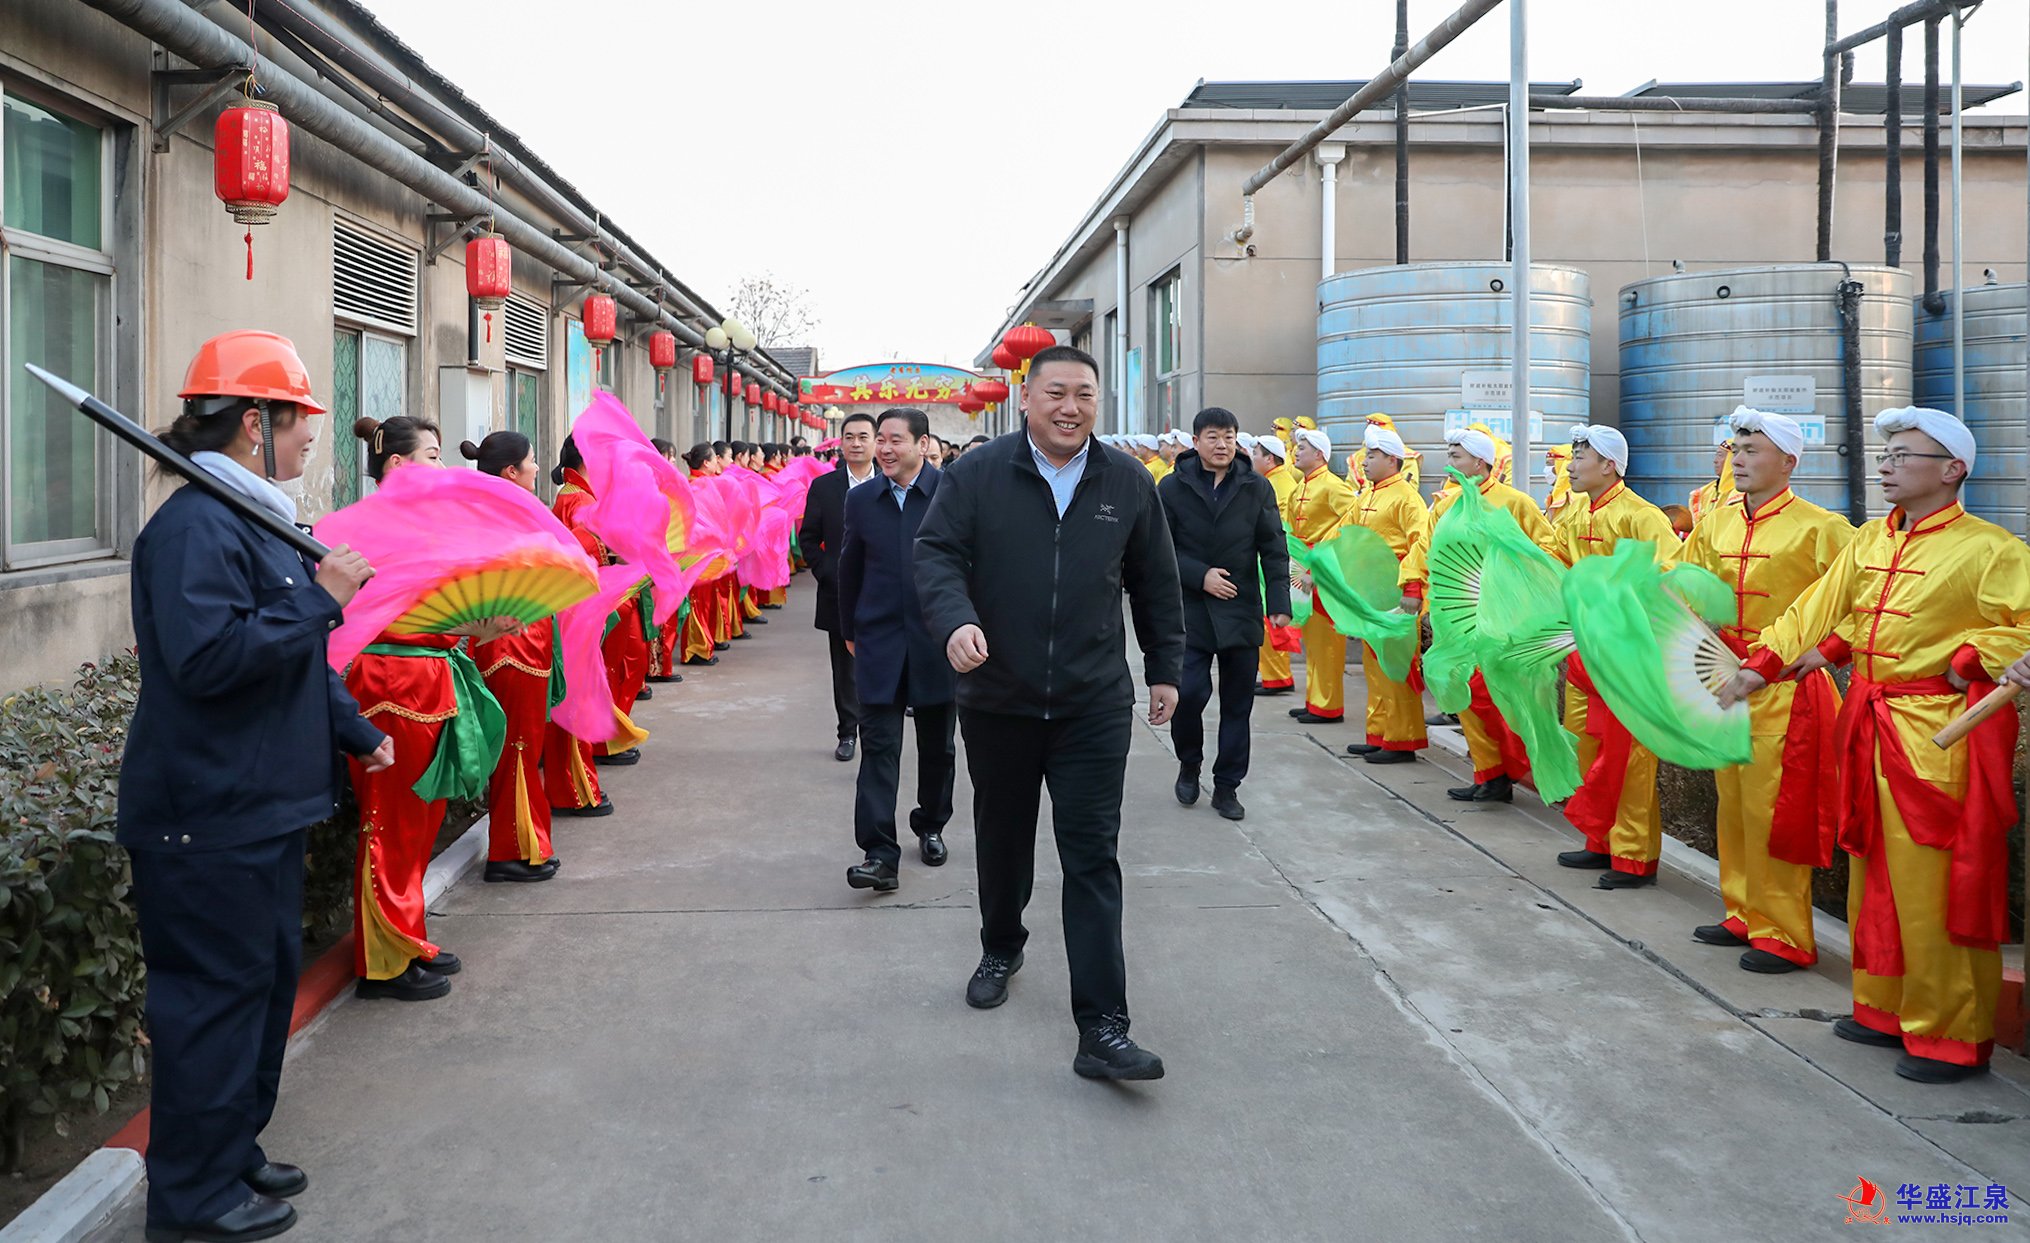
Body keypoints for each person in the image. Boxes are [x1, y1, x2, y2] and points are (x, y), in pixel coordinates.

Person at [121, 330, 386, 1243]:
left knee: (260, 992)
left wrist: (356, 731)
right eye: (300, 420)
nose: (312, 436)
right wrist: (322, 598)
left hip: (260, 809)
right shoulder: (195, 527)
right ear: (251, 423)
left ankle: (230, 1148)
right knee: (212, 1004)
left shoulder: (252, 518)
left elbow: (293, 659)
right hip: (206, 817)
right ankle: (190, 1197)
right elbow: (206, 660)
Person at [1723, 407, 2029, 1083]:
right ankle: (1883, 1006)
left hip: (1934, 736)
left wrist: (1980, 654)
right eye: (1885, 455)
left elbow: (2023, 624)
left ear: (1952, 470)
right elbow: (1817, 611)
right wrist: (1763, 665)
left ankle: (1948, 1032)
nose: (1886, 466)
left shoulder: (1992, 549)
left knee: (1931, 884)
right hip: (1868, 724)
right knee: (1874, 875)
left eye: (1902, 455)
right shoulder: (1869, 539)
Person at [916, 343, 1184, 1081]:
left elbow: (1155, 582)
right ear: (1027, 399)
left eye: (1084, 395)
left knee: (1092, 855)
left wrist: (1165, 667)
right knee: (1003, 837)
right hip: (997, 697)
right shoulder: (977, 474)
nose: (1071, 407)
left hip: (1092, 703)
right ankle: (1000, 945)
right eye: (1056, 393)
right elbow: (936, 555)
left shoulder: (1127, 481)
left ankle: (1103, 1025)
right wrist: (955, 621)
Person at [344, 415, 513, 1003]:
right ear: (397, 464)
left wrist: (476, 627)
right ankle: (383, 960)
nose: (443, 466)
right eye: (433, 454)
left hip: (427, 678)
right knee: (391, 821)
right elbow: (382, 617)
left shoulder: (419, 526)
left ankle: (407, 935)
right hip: (391, 682)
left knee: (418, 822)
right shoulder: (372, 529)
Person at [1677, 409, 1852, 973]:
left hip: (1785, 690)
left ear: (1788, 462)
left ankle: (1784, 933)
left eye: (1752, 450)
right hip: (1726, 679)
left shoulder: (1821, 527)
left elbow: (1867, 597)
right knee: (1733, 806)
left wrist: (1828, 649)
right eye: (1736, 449)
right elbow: (1686, 585)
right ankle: (1743, 912)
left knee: (1774, 813)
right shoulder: (1716, 523)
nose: (1739, 459)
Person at [1402, 427, 1559, 802]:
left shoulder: (1514, 502)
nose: (1449, 462)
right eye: (1449, 455)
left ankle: (1515, 768)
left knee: (1494, 695)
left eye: (1456, 456)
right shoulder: (1447, 505)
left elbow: (1546, 548)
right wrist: (1413, 585)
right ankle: (1489, 773)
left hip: (1499, 619)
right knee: (1464, 694)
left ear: (1480, 462)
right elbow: (1424, 547)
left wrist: (1514, 588)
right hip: (1454, 618)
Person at [838, 408, 958, 891]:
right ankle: (879, 853)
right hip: (879, 639)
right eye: (880, 440)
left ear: (923, 444)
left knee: (938, 746)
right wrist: (850, 629)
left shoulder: (951, 493)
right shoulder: (862, 499)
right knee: (879, 747)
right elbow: (850, 567)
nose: (884, 449)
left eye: (895, 440)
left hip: (938, 641)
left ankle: (931, 824)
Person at [1556, 424, 1679, 888]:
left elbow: (1668, 573)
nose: (1570, 466)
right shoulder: (1576, 513)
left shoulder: (1641, 516)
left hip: (1628, 653)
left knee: (1630, 756)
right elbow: (1554, 558)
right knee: (1586, 745)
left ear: (1609, 465)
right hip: (1586, 649)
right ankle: (1600, 840)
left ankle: (1634, 856)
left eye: (1579, 457)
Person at [1157, 407, 1290, 820]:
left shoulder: (1256, 487)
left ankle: (1228, 786)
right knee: (1189, 694)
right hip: (1190, 610)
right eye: (1213, 437)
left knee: (1237, 705)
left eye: (1229, 437)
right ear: (1196, 442)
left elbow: (1273, 546)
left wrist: (1279, 603)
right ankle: (1189, 763)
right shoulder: (1172, 487)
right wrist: (1200, 576)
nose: (1222, 445)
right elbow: (1157, 548)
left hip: (1240, 605)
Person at [463, 432, 564, 884]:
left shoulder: (505, 512)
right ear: (511, 471)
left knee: (524, 748)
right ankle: (510, 849)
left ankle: (524, 842)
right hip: (511, 646)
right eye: (531, 461)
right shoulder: (499, 517)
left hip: (524, 641)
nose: (537, 468)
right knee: (517, 750)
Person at [1340, 423, 1430, 765]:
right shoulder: (1367, 494)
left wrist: (1412, 587)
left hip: (1395, 590)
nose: (1364, 461)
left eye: (1372, 456)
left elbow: (1420, 544)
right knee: (1375, 665)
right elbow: (1344, 533)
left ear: (1393, 460)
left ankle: (1402, 739)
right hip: (1370, 590)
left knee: (1397, 665)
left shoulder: (1407, 497)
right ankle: (1379, 733)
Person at [800, 412, 879, 761]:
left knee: (882, 662)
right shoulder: (824, 487)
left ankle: (877, 731)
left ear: (876, 441)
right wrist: (827, 572)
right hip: (840, 592)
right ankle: (848, 732)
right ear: (841, 443)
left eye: (863, 437)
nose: (856, 443)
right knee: (844, 668)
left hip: (884, 590)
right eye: (850, 437)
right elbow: (808, 538)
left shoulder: (891, 482)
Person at [1286, 426, 1359, 725]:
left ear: (1319, 454)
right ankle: (1314, 700)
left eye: (1302, 448)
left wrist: (1323, 557)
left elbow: (1351, 523)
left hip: (1324, 569)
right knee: (1313, 637)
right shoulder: (1300, 487)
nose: (1296, 452)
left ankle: (1328, 704)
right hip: (1303, 565)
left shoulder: (1333, 486)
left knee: (1328, 639)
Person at [1250, 433, 1299, 698]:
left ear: (1269, 458)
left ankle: (1278, 676)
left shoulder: (1281, 484)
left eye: (1255, 454)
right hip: (1264, 557)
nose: (1252, 458)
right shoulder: (1270, 481)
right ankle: (1273, 675)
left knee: (1275, 616)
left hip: (1276, 557)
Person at [1688, 437, 1737, 523]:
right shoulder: (1705, 492)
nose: (1715, 461)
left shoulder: (1741, 493)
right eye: (1716, 455)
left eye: (1720, 455)